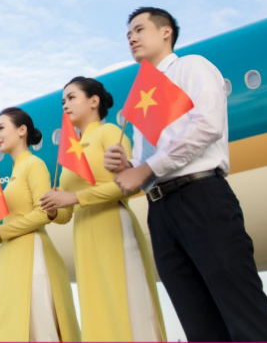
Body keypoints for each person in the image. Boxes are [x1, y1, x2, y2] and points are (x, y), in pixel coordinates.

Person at [105, 6, 267, 342]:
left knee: (246, 317)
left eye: (139, 29)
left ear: (166, 32)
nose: (131, 38)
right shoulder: (143, 92)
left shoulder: (192, 67)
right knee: (199, 325)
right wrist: (127, 167)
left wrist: (146, 168)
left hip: (201, 197)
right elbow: (147, 167)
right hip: (160, 210)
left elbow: (208, 126)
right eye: (128, 34)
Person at [40, 77, 166, 341]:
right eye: (63, 101)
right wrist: (52, 208)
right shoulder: (71, 150)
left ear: (94, 101)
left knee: (125, 300)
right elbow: (66, 214)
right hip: (84, 233)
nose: (65, 105)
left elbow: (126, 186)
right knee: (96, 306)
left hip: (112, 225)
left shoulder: (108, 132)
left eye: (71, 98)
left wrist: (73, 197)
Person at [0, 107, 80, 342]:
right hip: (12, 254)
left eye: (1, 128)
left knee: (38, 326)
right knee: (15, 326)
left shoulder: (34, 164)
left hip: (31, 255)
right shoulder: (17, 170)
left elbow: (43, 213)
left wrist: (1, 230)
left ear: (22, 130)